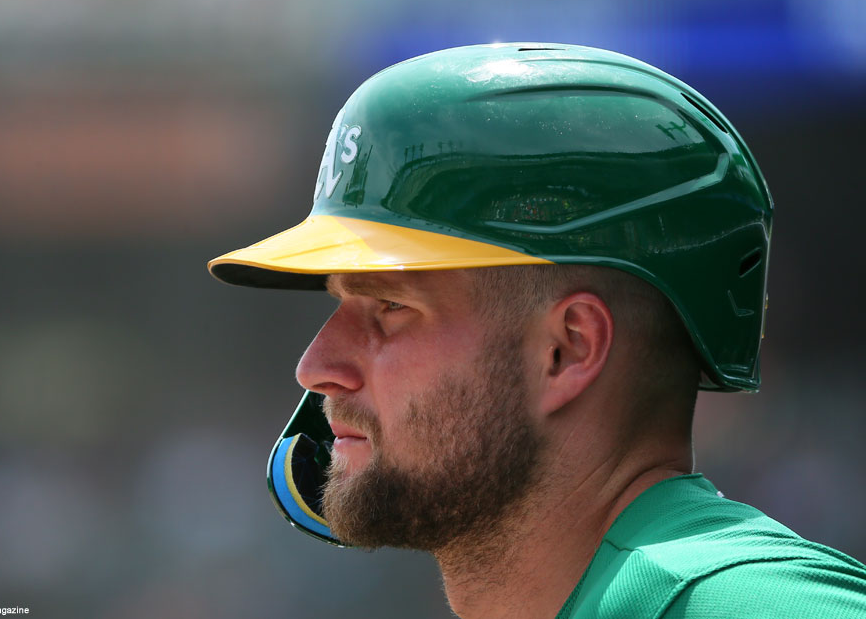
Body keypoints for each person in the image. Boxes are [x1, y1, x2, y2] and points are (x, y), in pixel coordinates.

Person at [208, 44, 866, 618]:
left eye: (389, 307)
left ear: (567, 349)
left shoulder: (746, 604)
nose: (317, 364)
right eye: (340, 305)